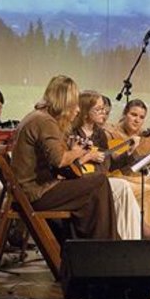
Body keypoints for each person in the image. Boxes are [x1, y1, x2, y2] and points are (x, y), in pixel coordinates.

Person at [10, 75, 117, 240]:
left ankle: (89, 248)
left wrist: (72, 151)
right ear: (65, 102)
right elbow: (58, 160)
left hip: (30, 190)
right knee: (100, 182)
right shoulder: (45, 121)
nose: (78, 109)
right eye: (75, 104)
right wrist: (80, 151)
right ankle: (104, 247)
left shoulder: (38, 116)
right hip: (35, 193)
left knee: (92, 191)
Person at [72, 90, 150, 240]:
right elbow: (66, 163)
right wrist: (87, 156)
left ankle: (132, 241)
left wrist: (129, 152)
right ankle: (137, 235)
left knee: (126, 188)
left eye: (104, 109)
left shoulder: (99, 134)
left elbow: (110, 164)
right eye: (99, 109)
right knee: (123, 186)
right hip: (82, 181)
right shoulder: (73, 132)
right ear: (85, 111)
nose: (104, 113)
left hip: (100, 179)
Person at [108, 99, 150, 243]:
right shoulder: (112, 133)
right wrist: (131, 150)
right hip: (120, 178)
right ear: (125, 114)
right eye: (133, 115)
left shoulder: (148, 137)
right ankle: (143, 239)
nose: (137, 120)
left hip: (140, 178)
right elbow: (114, 164)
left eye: (141, 117)